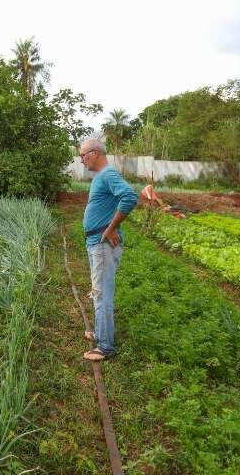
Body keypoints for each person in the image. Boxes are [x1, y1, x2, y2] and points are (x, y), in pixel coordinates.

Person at [78, 138, 138, 361]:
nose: (81, 160)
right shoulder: (101, 177)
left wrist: (112, 227)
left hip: (102, 245)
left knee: (102, 293)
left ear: (95, 153)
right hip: (95, 242)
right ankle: (100, 333)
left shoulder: (108, 174)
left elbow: (130, 196)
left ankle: (105, 347)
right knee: (98, 291)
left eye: (83, 155)